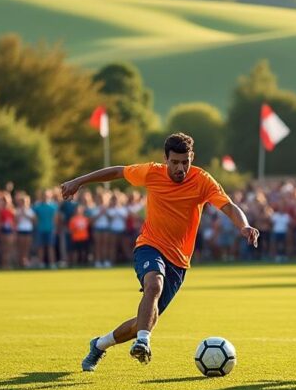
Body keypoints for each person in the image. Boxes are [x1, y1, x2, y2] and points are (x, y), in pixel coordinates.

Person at [66, 133, 259, 371]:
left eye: (185, 162)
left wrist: (245, 226)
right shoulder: (151, 172)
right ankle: (144, 342)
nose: (180, 168)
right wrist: (79, 181)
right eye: (175, 162)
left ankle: (100, 344)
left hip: (179, 261)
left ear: (192, 158)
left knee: (143, 321)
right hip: (150, 245)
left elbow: (228, 206)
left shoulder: (202, 180)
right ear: (166, 159)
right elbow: (118, 171)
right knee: (154, 285)